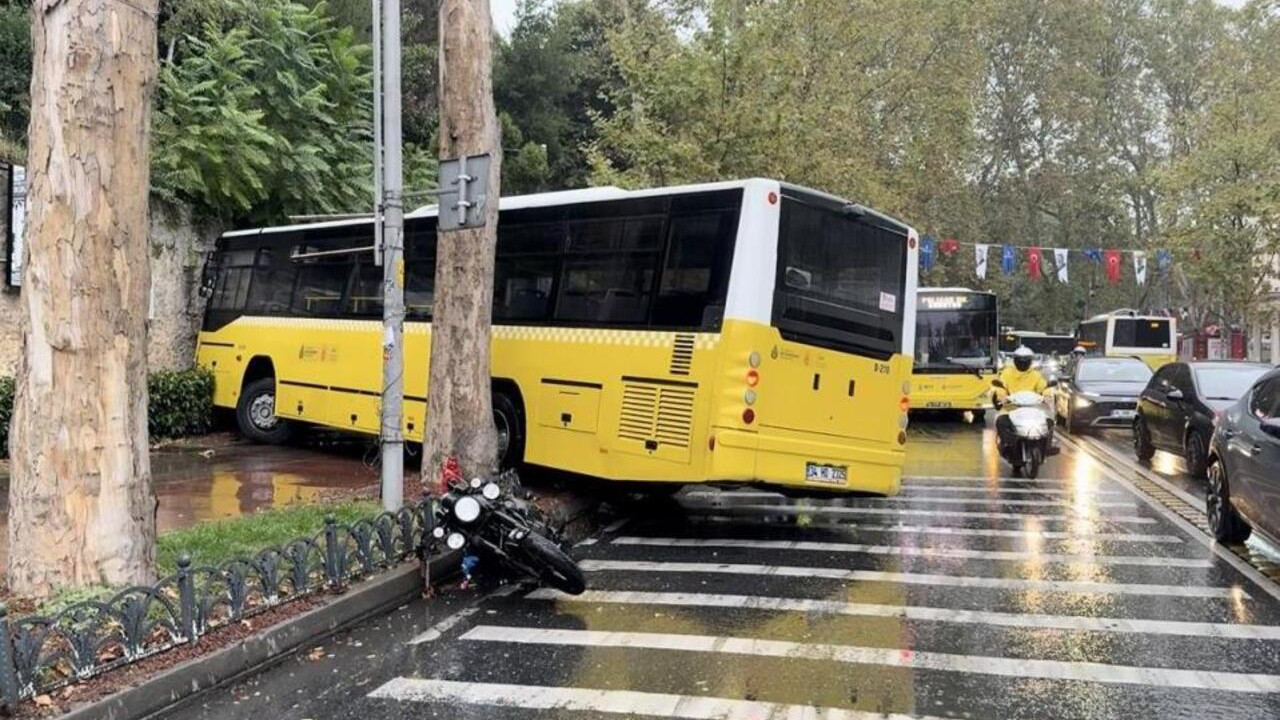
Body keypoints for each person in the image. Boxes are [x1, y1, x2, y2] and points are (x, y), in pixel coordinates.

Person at [992, 345, 1050, 455]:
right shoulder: (1007, 373)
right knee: (1001, 421)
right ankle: (1007, 444)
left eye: (1026, 361)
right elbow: (1000, 387)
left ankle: (1047, 446)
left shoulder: (1036, 375)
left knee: (1049, 422)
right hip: (1010, 408)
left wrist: (1047, 395)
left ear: (1030, 361)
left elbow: (1043, 387)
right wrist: (1002, 397)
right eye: (1020, 361)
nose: (1023, 363)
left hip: (1033, 409)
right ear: (1015, 361)